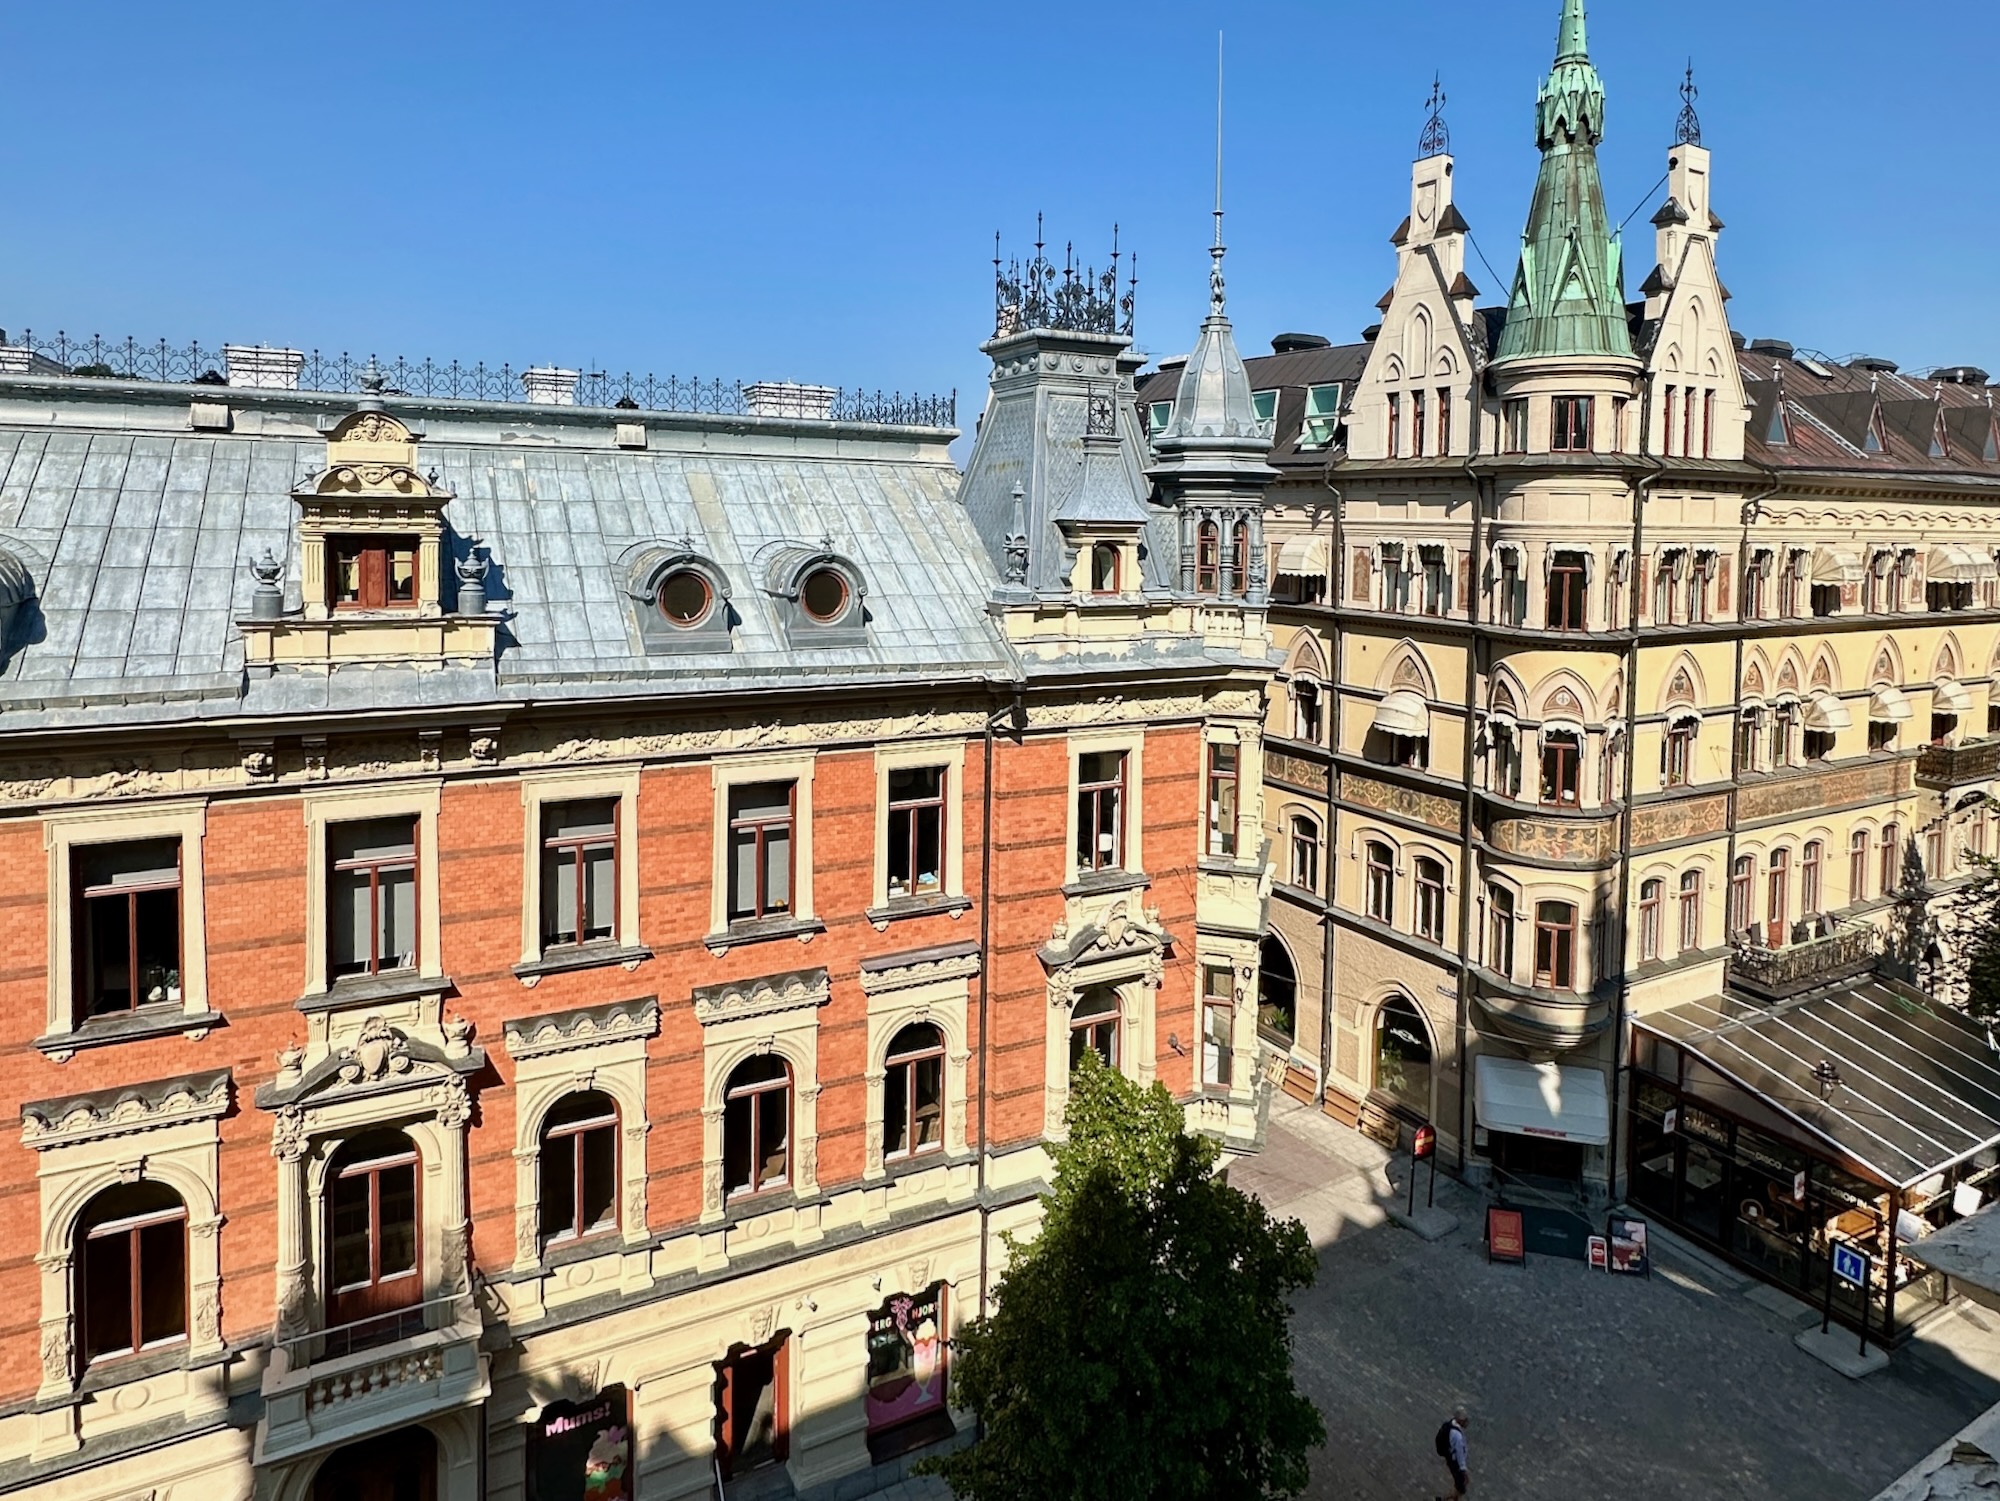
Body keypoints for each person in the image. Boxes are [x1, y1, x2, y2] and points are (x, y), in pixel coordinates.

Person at [1434, 1405, 1469, 1498]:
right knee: (1461, 1488)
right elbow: (1459, 1453)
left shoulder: (1450, 1425)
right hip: (1455, 1462)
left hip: (1450, 1458)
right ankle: (1443, 1499)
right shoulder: (1457, 1435)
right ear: (1461, 1420)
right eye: (1465, 1420)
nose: (1467, 1422)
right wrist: (1463, 1470)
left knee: (1458, 1484)